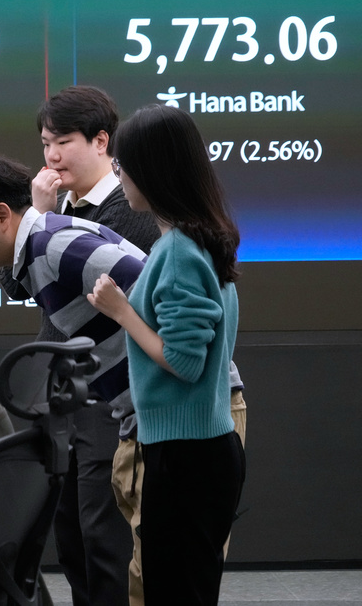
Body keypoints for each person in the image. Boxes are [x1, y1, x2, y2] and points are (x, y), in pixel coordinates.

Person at [0, 154, 147, 602]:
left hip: (173, 416)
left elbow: (159, 290)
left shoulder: (52, 244)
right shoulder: (35, 253)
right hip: (146, 418)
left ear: (0, 214)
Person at [1, 86, 159, 606]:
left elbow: (87, 294)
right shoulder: (58, 206)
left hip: (108, 393)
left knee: (102, 533)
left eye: (63, 141)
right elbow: (16, 287)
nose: (51, 155)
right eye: (45, 142)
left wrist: (39, 223)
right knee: (70, 534)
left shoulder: (128, 208)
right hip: (65, 392)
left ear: (100, 142)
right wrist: (37, 219)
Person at [88, 104, 245, 605]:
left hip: (186, 457)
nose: (119, 176)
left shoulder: (178, 250)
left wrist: (121, 311)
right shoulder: (200, 237)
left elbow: (183, 361)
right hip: (196, 451)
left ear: (151, 170)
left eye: (122, 165)